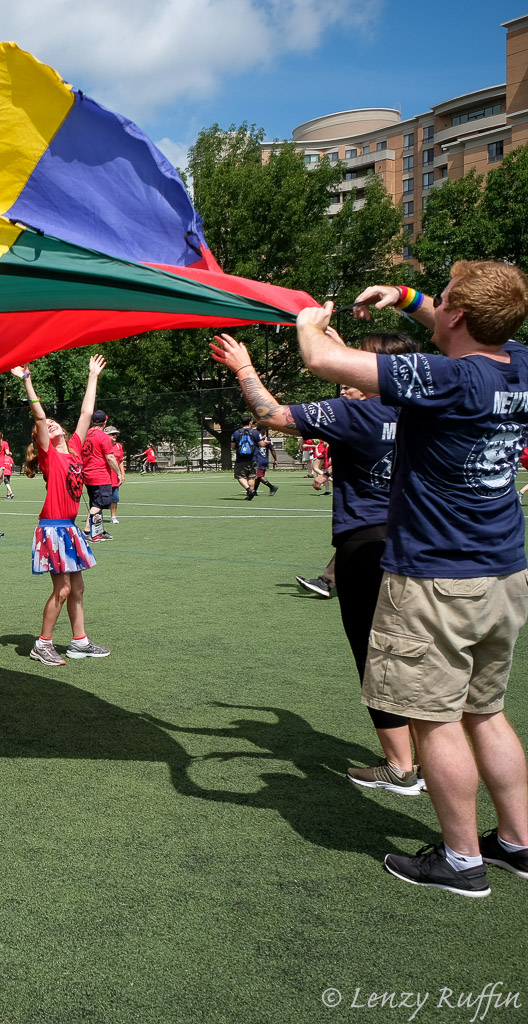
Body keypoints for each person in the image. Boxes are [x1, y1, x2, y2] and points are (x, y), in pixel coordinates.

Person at [300, 263, 528, 896]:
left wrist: (308, 324)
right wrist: (406, 298)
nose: (438, 307)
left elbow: (324, 361)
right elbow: (463, 327)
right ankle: (517, 843)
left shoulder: (446, 378)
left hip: (437, 576)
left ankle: (460, 861)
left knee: (434, 720)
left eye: (444, 300)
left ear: (457, 317)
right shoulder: (518, 362)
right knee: (488, 713)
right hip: (505, 570)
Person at [213, 331, 421, 799]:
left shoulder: (358, 412)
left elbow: (270, 414)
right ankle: (429, 758)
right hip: (425, 545)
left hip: (367, 545)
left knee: (374, 656)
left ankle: (401, 766)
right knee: (420, 657)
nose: (342, 377)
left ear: (375, 374)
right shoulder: (424, 407)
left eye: (353, 367)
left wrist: (244, 367)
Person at [15, 357, 112, 667]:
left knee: (78, 587)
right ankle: (42, 644)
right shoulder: (49, 456)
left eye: (56, 422)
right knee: (64, 588)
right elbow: (40, 415)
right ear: (40, 436)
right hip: (53, 528)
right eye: (45, 426)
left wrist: (93, 375)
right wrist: (27, 380)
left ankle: (79, 642)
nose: (51, 423)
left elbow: (86, 412)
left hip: (69, 529)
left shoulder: (73, 449)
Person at [80, 411, 121, 539]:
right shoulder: (103, 437)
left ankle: (98, 530)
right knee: (100, 503)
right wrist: (118, 473)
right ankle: (87, 531)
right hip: (100, 475)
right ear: (105, 422)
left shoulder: (84, 434)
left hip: (87, 474)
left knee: (95, 503)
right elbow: (109, 457)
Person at [229, 416, 262, 500]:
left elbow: (232, 446)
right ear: (250, 422)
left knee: (240, 476)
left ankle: (248, 490)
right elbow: (261, 444)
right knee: (252, 476)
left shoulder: (236, 433)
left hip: (241, 458)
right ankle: (250, 493)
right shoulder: (256, 433)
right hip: (253, 458)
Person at [104, 425, 124, 522]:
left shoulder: (118, 446)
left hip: (115, 476)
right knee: (102, 499)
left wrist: (122, 474)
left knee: (115, 497)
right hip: (104, 475)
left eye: (116, 434)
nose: (115, 436)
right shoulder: (102, 445)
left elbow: (120, 461)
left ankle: (113, 517)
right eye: (112, 434)